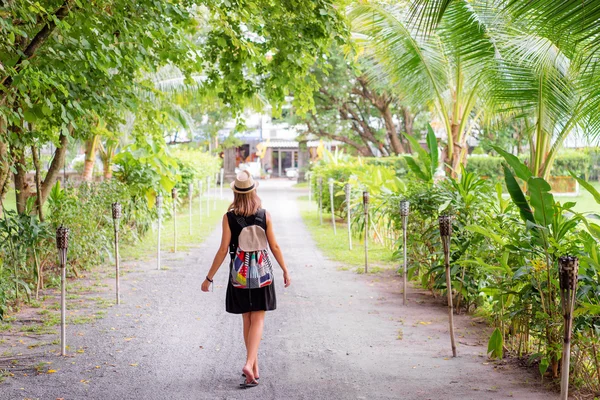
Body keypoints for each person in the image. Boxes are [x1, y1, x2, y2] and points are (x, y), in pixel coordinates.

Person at [201, 170, 291, 388]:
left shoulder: (229, 218)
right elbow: (275, 246)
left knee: (246, 319)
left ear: (236, 194)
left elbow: (223, 249)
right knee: (258, 319)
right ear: (253, 191)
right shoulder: (264, 215)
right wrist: (285, 270)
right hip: (262, 275)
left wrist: (209, 278)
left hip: (239, 275)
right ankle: (251, 364)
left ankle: (254, 367)